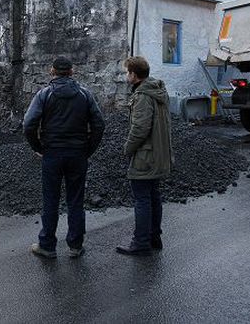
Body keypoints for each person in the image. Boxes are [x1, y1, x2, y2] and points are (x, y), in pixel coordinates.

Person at [23, 56, 105, 259]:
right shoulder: (85, 95)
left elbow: (28, 124)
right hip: (78, 154)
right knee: (75, 200)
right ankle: (76, 245)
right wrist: (88, 149)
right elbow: (99, 124)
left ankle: (47, 246)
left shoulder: (44, 95)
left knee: (50, 199)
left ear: (52, 71)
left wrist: (38, 147)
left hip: (52, 153)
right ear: (72, 71)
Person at [117, 56, 173, 256]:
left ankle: (141, 242)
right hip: (159, 153)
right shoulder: (158, 90)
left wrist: (127, 148)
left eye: (127, 72)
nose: (126, 76)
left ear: (134, 74)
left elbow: (140, 129)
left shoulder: (142, 96)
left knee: (142, 198)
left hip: (145, 156)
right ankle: (154, 237)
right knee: (153, 196)